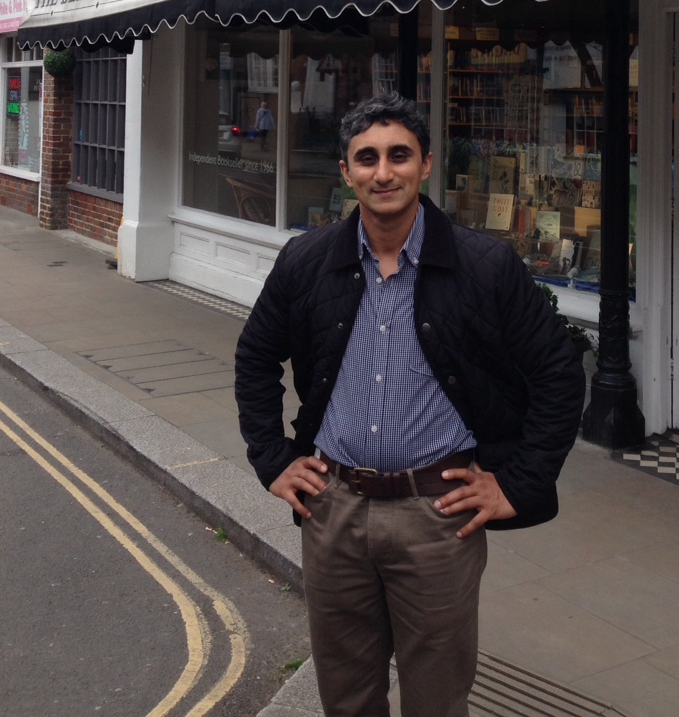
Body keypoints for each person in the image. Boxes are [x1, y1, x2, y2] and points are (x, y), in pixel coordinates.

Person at [234, 92, 586, 717]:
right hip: (334, 511)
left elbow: (558, 371)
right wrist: (272, 459)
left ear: (425, 164)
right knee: (347, 698)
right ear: (346, 172)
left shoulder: (485, 266)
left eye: (399, 155)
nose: (383, 172)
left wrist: (520, 484)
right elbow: (255, 358)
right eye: (366, 158)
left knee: (436, 701)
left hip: (437, 518)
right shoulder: (306, 261)